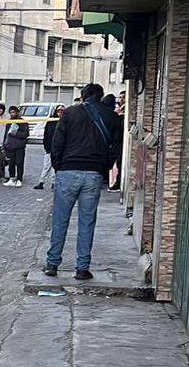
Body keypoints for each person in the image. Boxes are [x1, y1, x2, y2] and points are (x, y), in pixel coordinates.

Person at [45, 83, 123, 280]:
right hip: (94, 173)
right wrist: (103, 168)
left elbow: (57, 142)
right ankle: (82, 268)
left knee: (60, 220)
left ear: (83, 96)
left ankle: (53, 264)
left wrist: (58, 166)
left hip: (67, 171)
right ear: (101, 96)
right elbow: (115, 148)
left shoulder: (70, 113)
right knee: (87, 221)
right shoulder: (112, 117)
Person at [34, 104, 65, 190]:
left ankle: (54, 183)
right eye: (58, 111)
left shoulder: (65, 122)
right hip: (49, 148)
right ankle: (41, 182)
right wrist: (46, 147)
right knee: (46, 166)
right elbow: (46, 135)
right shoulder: (51, 121)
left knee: (56, 168)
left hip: (60, 149)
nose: (60, 113)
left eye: (62, 111)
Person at [2, 106, 30, 187]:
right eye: (10, 112)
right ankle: (11, 178)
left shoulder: (23, 122)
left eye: (13, 112)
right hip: (10, 146)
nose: (12, 114)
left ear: (17, 112)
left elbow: (26, 134)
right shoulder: (9, 122)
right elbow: (6, 134)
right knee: (11, 163)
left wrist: (17, 134)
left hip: (20, 146)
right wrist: (4, 144)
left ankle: (19, 179)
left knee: (19, 163)